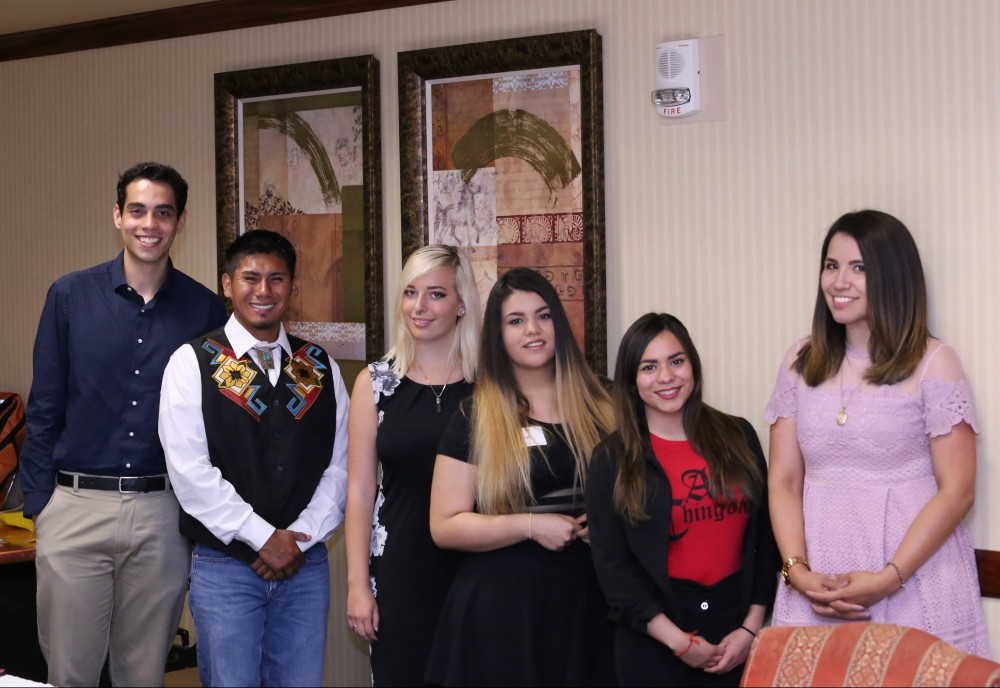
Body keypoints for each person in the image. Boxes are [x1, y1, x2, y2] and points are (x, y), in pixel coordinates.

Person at [18, 161, 226, 687]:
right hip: (74, 508)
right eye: (137, 210)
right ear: (117, 215)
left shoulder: (205, 310)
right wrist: (42, 506)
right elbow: (44, 406)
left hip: (162, 516)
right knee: (70, 675)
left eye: (163, 212)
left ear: (180, 221)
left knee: (143, 676)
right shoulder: (69, 296)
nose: (149, 224)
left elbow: (214, 421)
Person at [766, 209, 990, 657]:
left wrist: (889, 578)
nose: (839, 281)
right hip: (818, 583)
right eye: (831, 265)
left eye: (859, 268)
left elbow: (958, 491)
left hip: (913, 579)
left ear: (892, 275)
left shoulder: (934, 362)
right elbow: (784, 480)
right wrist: (797, 571)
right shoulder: (799, 361)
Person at [158, 229, 350, 686]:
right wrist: (264, 539)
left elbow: (341, 467)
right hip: (226, 567)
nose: (264, 291)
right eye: (250, 278)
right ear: (228, 284)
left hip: (304, 567)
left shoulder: (320, 365)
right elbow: (190, 473)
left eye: (276, 279)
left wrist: (296, 541)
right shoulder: (191, 362)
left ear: (292, 286)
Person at [425, 267, 616, 687]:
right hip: (505, 612)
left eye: (543, 316)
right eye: (516, 320)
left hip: (590, 603)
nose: (533, 329)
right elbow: (444, 525)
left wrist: (607, 521)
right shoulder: (475, 415)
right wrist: (531, 526)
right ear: (498, 335)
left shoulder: (605, 401)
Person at [586, 313, 778, 687]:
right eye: (649, 367)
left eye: (676, 361)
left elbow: (764, 542)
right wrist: (678, 642)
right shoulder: (611, 458)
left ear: (693, 365)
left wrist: (751, 628)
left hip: (736, 634)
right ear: (631, 380)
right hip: (654, 640)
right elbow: (613, 569)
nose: (666, 377)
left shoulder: (739, 436)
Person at [344, 244, 481, 686]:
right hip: (399, 569)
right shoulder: (375, 383)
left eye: (436, 294)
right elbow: (360, 490)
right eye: (410, 292)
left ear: (461, 304)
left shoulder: (491, 386)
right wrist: (357, 585)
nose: (419, 306)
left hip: (478, 568)